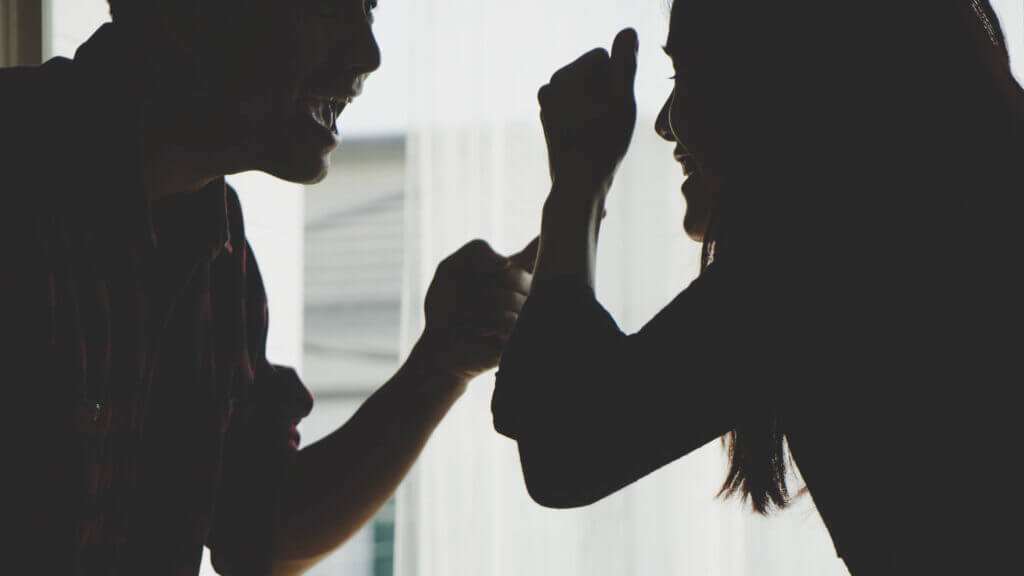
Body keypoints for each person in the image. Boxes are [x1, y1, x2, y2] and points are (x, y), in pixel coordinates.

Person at [0, 0, 535, 573]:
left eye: (370, 9)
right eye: (330, 7)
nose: (368, 53)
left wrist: (441, 365)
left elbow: (258, 531)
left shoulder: (217, 250)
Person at [492, 2, 1023, 574]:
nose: (664, 121)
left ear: (776, 83)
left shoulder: (830, 260)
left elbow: (565, 448)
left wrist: (578, 183)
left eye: (688, 77)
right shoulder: (932, 221)